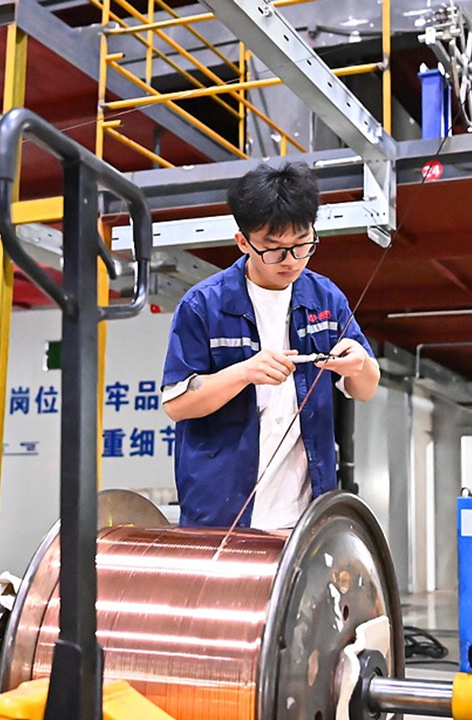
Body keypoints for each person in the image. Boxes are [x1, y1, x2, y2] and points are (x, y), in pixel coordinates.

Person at [160, 161, 380, 529]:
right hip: (222, 514)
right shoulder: (204, 306)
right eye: (274, 249)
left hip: (306, 515)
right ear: (243, 242)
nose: (290, 261)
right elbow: (178, 404)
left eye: (302, 245)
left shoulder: (326, 298)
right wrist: (243, 373)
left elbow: (367, 387)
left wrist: (359, 364)